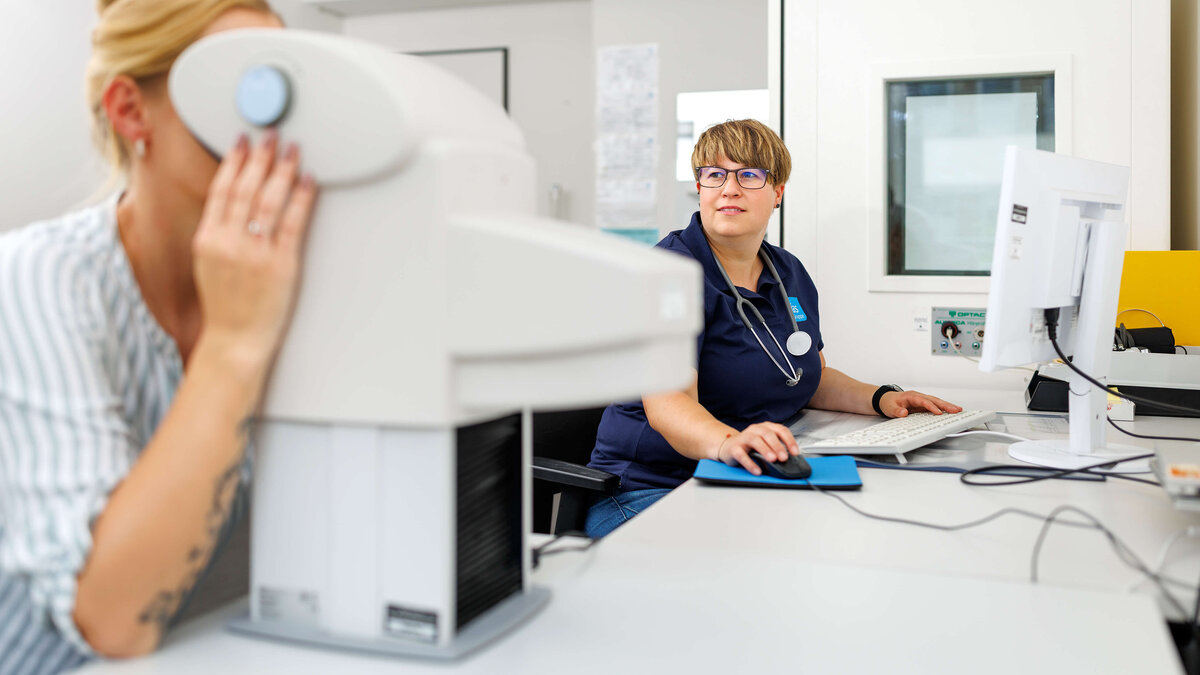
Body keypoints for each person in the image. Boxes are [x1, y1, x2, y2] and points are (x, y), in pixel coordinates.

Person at [0, 1, 316, 671]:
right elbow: (109, 619)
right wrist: (232, 343)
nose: (268, 129)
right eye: (239, 87)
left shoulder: (290, 282)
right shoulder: (37, 276)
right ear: (130, 111)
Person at [585, 119, 960, 538]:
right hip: (651, 492)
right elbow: (668, 403)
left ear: (778, 191)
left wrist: (883, 398)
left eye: (749, 175)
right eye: (715, 175)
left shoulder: (787, 271)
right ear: (701, 187)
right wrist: (729, 443)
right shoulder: (669, 276)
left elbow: (806, 376)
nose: (729, 189)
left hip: (741, 479)